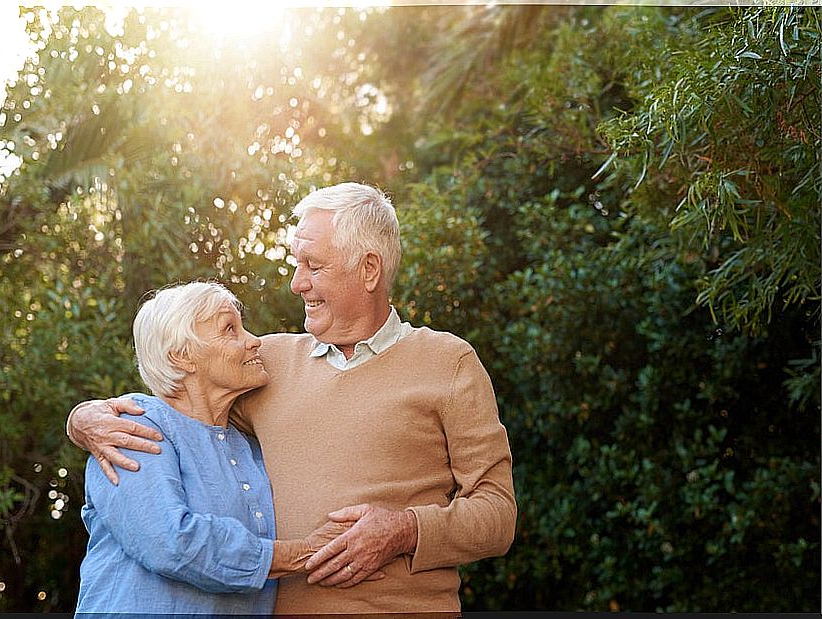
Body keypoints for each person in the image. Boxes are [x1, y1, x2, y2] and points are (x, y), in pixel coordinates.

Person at [68, 182, 517, 614]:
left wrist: (405, 530)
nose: (296, 283)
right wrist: (84, 418)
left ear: (369, 269)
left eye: (313, 265)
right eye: (296, 264)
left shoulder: (448, 362)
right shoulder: (267, 362)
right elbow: (184, 394)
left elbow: (497, 514)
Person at [74, 281, 373, 615]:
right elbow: (171, 542)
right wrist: (303, 552)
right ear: (182, 356)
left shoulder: (253, 450)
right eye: (230, 329)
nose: (254, 341)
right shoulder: (135, 426)